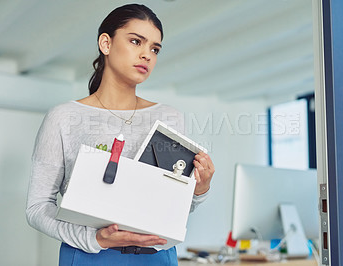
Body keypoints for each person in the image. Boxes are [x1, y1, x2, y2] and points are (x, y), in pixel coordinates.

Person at [26, 3, 215, 266]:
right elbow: (37, 207)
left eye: (155, 49)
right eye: (136, 41)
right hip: (88, 256)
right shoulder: (63, 117)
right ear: (106, 43)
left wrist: (200, 189)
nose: (147, 55)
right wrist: (95, 239)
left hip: (158, 257)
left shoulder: (169, 118)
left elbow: (175, 207)